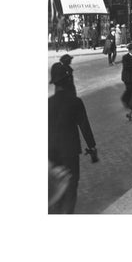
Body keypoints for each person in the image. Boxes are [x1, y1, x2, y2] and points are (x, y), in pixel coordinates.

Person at [48, 67, 98, 214]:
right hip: (70, 152)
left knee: (55, 188)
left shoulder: (47, 103)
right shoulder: (75, 102)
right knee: (70, 189)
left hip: (50, 153)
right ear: (68, 80)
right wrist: (92, 147)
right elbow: (85, 127)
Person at [121, 42, 132, 118]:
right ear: (129, 50)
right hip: (127, 77)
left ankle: (130, 102)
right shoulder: (125, 57)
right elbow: (126, 67)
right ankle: (124, 99)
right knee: (129, 89)